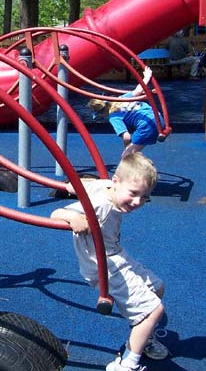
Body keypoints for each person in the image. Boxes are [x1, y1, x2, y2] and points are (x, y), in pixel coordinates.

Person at [51, 153, 169, 371]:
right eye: (133, 194)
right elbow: (56, 213)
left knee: (158, 288)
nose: (137, 202)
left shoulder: (106, 186)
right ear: (116, 182)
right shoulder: (101, 205)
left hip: (116, 255)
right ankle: (126, 365)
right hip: (102, 266)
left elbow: (86, 185)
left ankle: (143, 340)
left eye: (144, 197)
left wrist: (71, 187)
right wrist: (74, 218)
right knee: (154, 310)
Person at [88, 67, 166, 159]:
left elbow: (126, 137)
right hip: (158, 119)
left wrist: (127, 147)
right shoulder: (122, 98)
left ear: (101, 113)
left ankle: (136, 171)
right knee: (133, 151)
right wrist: (147, 77)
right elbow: (139, 90)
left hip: (146, 126)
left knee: (126, 156)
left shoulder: (114, 117)